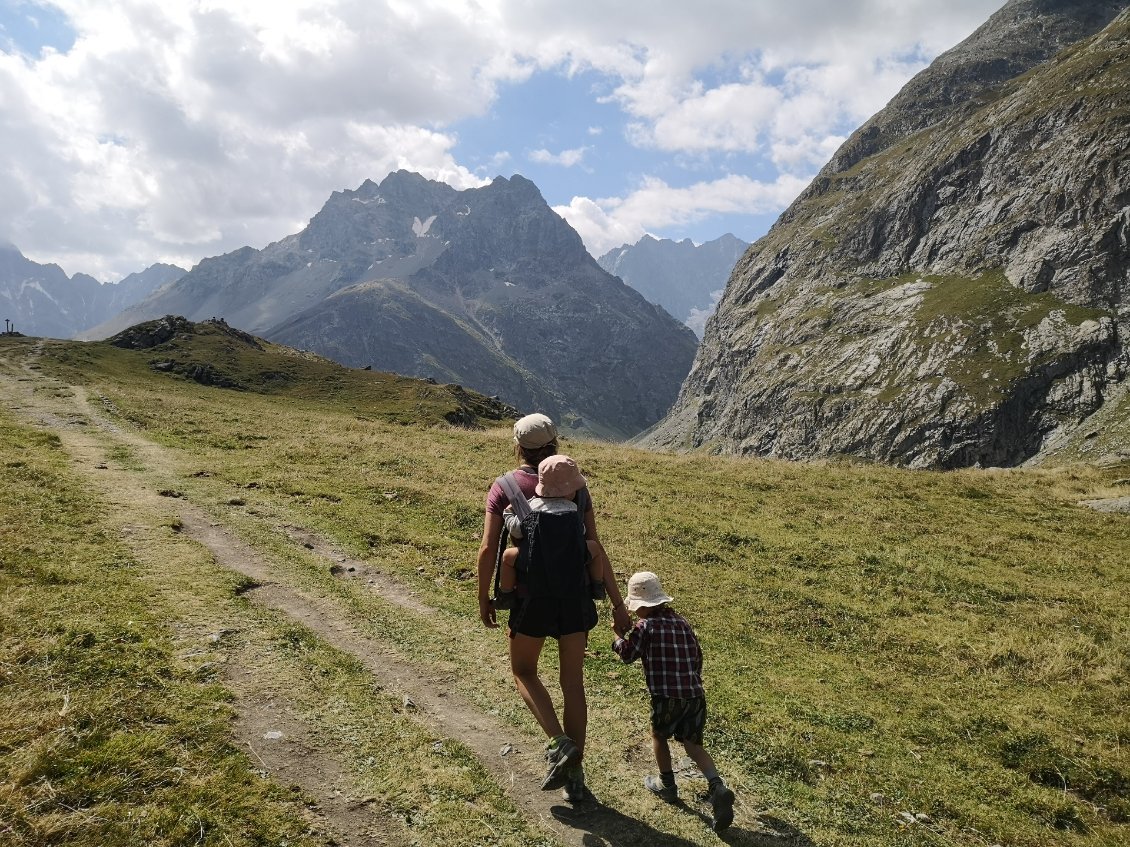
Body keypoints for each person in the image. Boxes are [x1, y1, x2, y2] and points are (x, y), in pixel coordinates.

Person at [477, 413, 632, 804]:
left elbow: (488, 548)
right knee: (573, 685)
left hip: (531, 602)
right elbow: (595, 546)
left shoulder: (505, 487)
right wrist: (616, 603)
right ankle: (576, 778)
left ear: (518, 446)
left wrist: (485, 596)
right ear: (555, 443)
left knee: (524, 671)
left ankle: (559, 742)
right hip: (575, 600)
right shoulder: (575, 487)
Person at [611, 571, 736, 832]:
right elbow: (697, 655)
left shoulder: (645, 627)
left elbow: (627, 654)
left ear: (641, 606)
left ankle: (667, 784)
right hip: (694, 695)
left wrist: (617, 636)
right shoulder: (682, 622)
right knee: (693, 745)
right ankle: (716, 785)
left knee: (659, 735)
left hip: (666, 697)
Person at [494, 453, 607, 609]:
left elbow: (516, 531)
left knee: (508, 556)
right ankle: (597, 585)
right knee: (594, 547)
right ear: (568, 491)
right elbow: (581, 531)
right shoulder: (573, 509)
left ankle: (506, 594)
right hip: (569, 559)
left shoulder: (531, 508)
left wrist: (508, 513)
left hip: (536, 560)